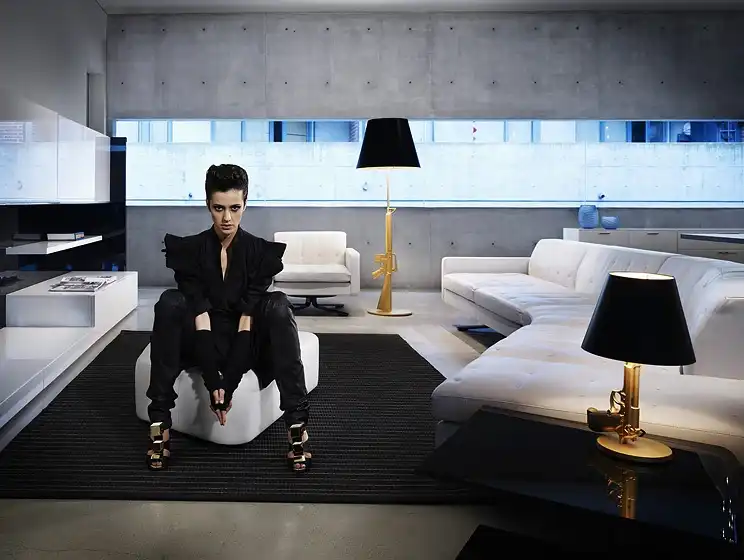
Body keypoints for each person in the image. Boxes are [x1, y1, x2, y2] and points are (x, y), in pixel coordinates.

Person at [145, 164, 312, 473]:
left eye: (235, 208)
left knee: (277, 303)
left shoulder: (260, 252)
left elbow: (247, 321)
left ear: (245, 203)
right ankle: (159, 424)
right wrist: (213, 380)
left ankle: (297, 426)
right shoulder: (190, 250)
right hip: (202, 339)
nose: (227, 218)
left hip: (245, 340)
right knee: (170, 301)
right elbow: (200, 318)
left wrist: (230, 383)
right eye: (218, 208)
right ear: (208, 205)